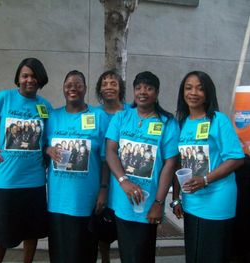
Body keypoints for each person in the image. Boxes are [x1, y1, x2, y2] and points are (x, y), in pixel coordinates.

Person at [0, 58, 52, 263]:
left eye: (33, 76)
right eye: (25, 75)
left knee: (31, 232)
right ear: (18, 78)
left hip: (35, 181)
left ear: (40, 79)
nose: (29, 80)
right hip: (8, 181)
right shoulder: (4, 98)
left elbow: (48, 140)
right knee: (3, 233)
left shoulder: (45, 106)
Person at [106, 71, 179, 263]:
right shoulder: (121, 117)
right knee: (126, 253)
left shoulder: (167, 123)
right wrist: (124, 181)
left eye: (148, 88)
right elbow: (110, 151)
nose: (142, 92)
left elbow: (170, 165)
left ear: (157, 92)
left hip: (148, 205)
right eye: (138, 88)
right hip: (123, 200)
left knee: (142, 255)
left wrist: (158, 203)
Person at [172, 71, 244, 263]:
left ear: (208, 93)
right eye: (188, 88)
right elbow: (178, 163)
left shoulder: (218, 120)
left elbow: (236, 159)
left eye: (200, 88)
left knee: (213, 255)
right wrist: (176, 198)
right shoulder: (181, 123)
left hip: (218, 198)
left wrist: (205, 180)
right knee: (194, 254)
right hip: (191, 200)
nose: (193, 92)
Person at [46, 70, 109, 263]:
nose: (73, 88)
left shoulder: (99, 117)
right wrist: (48, 149)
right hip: (57, 200)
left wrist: (103, 190)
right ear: (63, 89)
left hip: (86, 200)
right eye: (69, 85)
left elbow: (107, 158)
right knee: (59, 253)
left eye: (78, 85)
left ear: (85, 89)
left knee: (84, 253)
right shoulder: (52, 116)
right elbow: (41, 146)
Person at [95, 70, 130, 263]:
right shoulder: (93, 114)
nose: (109, 87)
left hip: (124, 179)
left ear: (120, 88)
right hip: (101, 177)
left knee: (124, 224)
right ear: (100, 89)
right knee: (103, 225)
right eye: (105, 83)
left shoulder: (130, 113)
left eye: (113, 83)